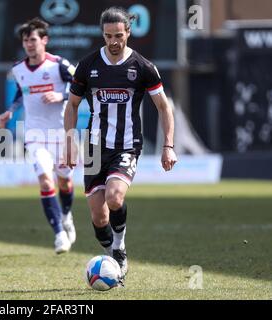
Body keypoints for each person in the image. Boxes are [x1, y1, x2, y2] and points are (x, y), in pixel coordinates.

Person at [63, 7, 178, 282]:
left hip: (126, 146)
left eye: (118, 35)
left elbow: (164, 107)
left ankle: (119, 251)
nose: (113, 42)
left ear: (128, 32)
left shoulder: (143, 67)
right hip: (93, 148)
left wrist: (168, 146)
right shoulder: (88, 65)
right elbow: (72, 106)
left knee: (115, 197)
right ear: (102, 35)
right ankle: (111, 256)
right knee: (99, 217)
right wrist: (69, 142)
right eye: (108, 36)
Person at [0, 18, 77, 254]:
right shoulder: (19, 69)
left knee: (65, 181)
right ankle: (59, 235)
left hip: (61, 134)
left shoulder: (60, 65)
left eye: (33, 40)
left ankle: (67, 215)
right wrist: (10, 111)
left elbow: (83, 87)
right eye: (25, 40)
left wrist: (60, 96)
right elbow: (22, 92)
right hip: (34, 134)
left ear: (44, 40)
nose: (29, 45)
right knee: (45, 180)